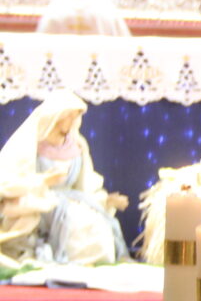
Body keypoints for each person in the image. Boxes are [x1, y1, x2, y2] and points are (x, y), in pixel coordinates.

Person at [0, 91, 128, 266]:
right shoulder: (31, 143)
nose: (73, 121)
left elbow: (85, 183)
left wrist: (105, 200)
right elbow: (9, 180)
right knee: (75, 223)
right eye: (69, 116)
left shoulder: (77, 144)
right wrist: (43, 181)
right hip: (40, 200)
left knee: (96, 221)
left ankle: (95, 262)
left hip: (72, 198)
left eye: (75, 117)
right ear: (56, 116)